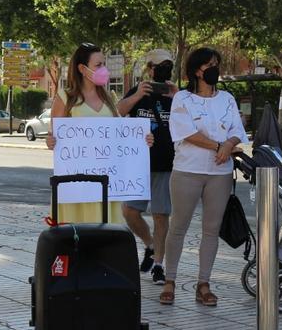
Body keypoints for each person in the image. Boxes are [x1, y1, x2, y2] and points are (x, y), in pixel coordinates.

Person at [160, 47, 247, 307]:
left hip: (219, 174)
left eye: (216, 63)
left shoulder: (227, 98)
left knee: (211, 230)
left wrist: (229, 146)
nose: (214, 68)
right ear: (195, 70)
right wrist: (217, 147)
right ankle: (169, 280)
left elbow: (237, 130)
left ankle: (204, 284)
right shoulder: (182, 98)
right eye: (208, 64)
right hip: (188, 170)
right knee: (178, 227)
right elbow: (185, 132)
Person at [46, 43, 152, 224]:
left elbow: (121, 134)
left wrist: (143, 139)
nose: (104, 69)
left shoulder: (108, 98)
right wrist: (51, 141)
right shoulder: (65, 97)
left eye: (104, 64)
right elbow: (53, 135)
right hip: (77, 188)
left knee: (106, 239)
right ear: (82, 68)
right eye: (98, 65)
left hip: (107, 186)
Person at [117, 49, 177, 286]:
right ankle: (150, 245)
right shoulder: (139, 91)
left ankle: (159, 265)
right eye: (160, 66)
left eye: (168, 66)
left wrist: (177, 97)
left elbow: (193, 120)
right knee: (130, 211)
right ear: (150, 68)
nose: (164, 70)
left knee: (161, 214)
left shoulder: (176, 94)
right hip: (138, 163)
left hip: (167, 164)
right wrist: (137, 94)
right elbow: (118, 111)